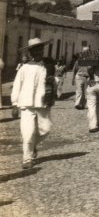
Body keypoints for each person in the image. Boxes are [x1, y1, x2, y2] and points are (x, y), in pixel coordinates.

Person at [11, 38, 55, 169]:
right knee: (28, 132)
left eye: (40, 49)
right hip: (26, 103)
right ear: (30, 52)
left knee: (46, 129)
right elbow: (17, 85)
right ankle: (27, 158)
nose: (38, 52)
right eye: (35, 50)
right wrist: (14, 103)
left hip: (42, 103)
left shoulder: (48, 65)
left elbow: (53, 83)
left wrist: (53, 83)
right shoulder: (24, 68)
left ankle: (33, 145)